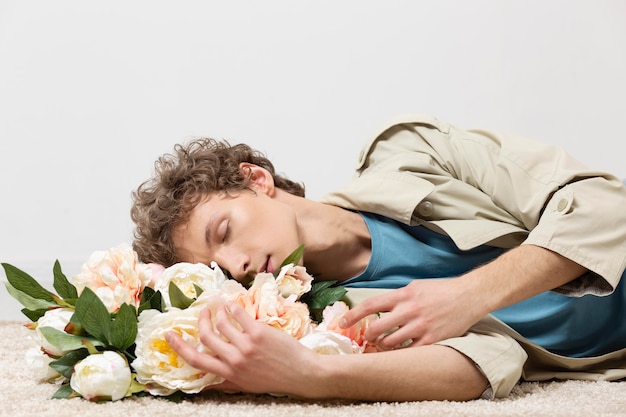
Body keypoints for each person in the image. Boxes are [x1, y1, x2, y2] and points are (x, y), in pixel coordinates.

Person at [130, 114, 626, 401]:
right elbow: (490, 362)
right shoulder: (322, 317)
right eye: (218, 267)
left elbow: (605, 206)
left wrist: (469, 294)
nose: (234, 265)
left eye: (224, 231)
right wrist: (314, 374)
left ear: (257, 180)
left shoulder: (412, 153)